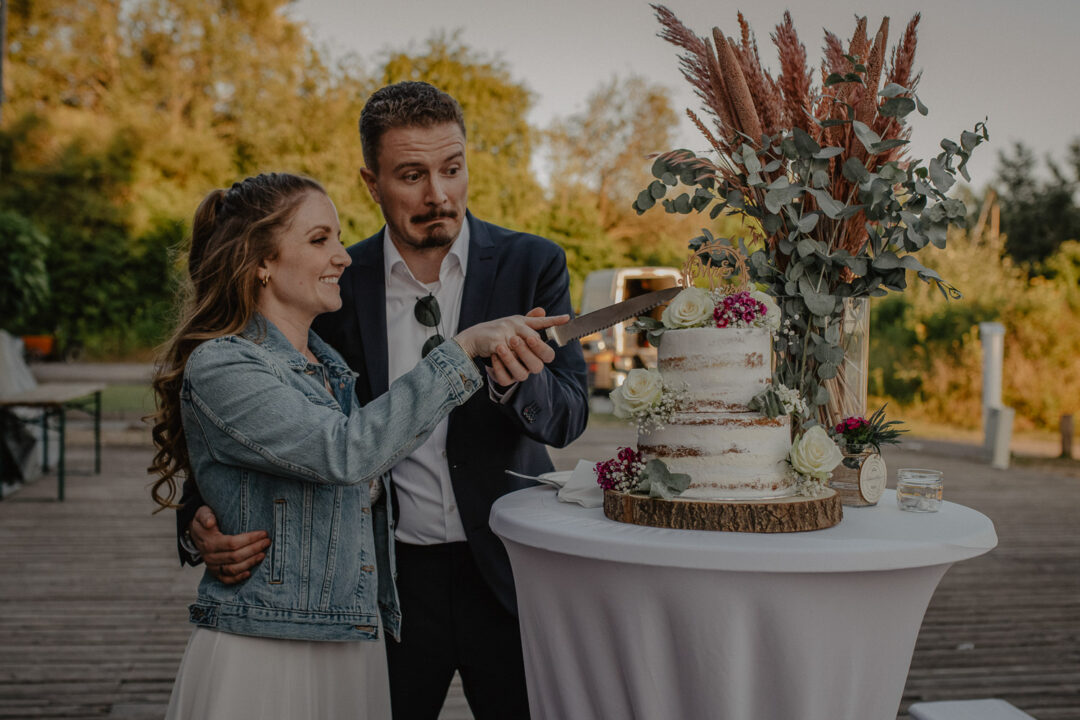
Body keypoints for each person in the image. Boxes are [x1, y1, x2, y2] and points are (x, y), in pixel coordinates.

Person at [179, 82, 590, 719]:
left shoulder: (530, 263)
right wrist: (203, 517)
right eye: (412, 175)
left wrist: (511, 381)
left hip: (505, 570)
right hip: (379, 581)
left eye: (453, 169)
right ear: (371, 182)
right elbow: (265, 411)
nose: (438, 194)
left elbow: (568, 416)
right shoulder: (333, 284)